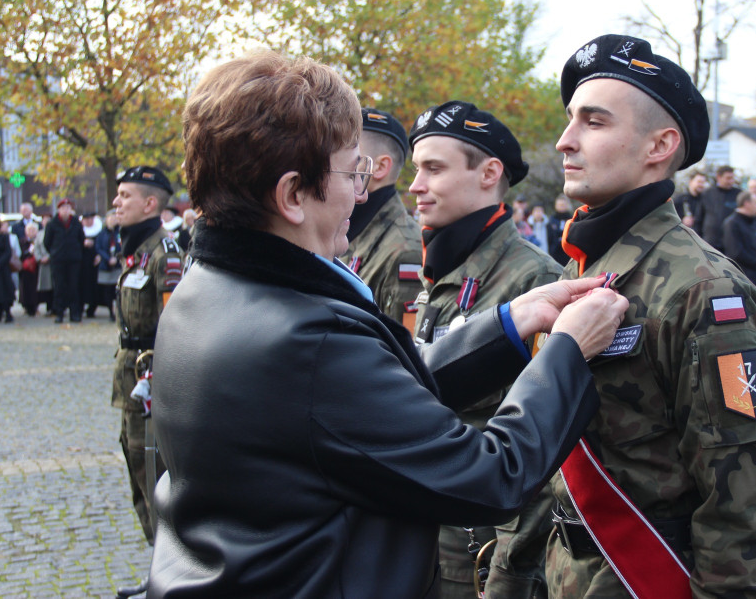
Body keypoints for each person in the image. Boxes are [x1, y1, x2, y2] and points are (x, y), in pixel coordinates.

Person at [147, 50, 627, 597]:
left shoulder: (208, 288)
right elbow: (494, 476)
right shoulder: (308, 341)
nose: (363, 191)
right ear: (291, 195)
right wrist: (565, 348)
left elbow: (365, 405)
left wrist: (510, 325)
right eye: (352, 173)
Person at [547, 34, 756, 598]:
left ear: (659, 145)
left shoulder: (706, 292)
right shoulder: (575, 275)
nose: (565, 141)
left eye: (594, 122)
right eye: (570, 121)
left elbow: (739, 508)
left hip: (647, 577)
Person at [408, 100, 564, 599]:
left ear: (489, 173)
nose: (415, 185)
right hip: (421, 534)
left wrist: (507, 576)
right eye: (416, 169)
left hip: (480, 555)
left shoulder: (533, 282)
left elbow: (548, 447)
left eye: (434, 168)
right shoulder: (436, 270)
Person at [111, 165, 184, 596]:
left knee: (155, 470)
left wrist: (159, 379)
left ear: (150, 203)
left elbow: (174, 322)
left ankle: (171, 567)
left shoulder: (165, 253)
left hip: (153, 378)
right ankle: (158, 558)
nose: (116, 203)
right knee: (135, 464)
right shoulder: (136, 250)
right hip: (130, 380)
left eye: (124, 195)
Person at [338, 107, 423, 327]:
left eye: (351, 155)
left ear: (379, 167)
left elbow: (403, 350)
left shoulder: (406, 250)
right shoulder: (343, 226)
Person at [42, 198, 85, 323]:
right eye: (64, 208)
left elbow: (81, 239)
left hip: (73, 259)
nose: (66, 210)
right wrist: (55, 252)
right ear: (59, 209)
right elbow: (47, 242)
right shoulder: (52, 224)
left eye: (68, 208)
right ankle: (59, 313)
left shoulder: (76, 223)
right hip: (58, 260)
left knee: (74, 286)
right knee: (59, 287)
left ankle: (75, 313)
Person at [722, 190, 756, 289]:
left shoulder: (754, 221)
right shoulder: (732, 224)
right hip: (744, 277)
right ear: (747, 204)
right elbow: (736, 252)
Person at [694, 164, 741, 251]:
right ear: (719, 177)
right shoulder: (707, 194)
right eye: (728, 178)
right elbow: (699, 219)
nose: (731, 181)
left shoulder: (738, 194)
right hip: (710, 243)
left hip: (731, 243)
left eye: (732, 178)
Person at [94, 210, 122, 322]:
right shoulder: (101, 234)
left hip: (117, 265)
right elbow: (99, 248)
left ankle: (118, 311)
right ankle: (111, 312)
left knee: (117, 290)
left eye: (115, 218)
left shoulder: (120, 232)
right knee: (107, 291)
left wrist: (116, 257)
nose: (113, 220)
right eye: (111, 218)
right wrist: (107, 258)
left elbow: (122, 246)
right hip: (105, 265)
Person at [80, 212, 103, 318]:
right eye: (86, 219)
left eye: (90, 219)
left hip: (95, 261)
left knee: (94, 286)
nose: (88, 221)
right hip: (82, 262)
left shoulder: (99, 230)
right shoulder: (79, 230)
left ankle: (92, 309)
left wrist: (99, 255)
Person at [18, 222, 41, 316]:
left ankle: (35, 306)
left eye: (33, 230)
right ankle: (26, 306)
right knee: (26, 288)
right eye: (29, 230)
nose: (31, 232)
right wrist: (28, 252)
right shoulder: (22, 241)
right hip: (25, 269)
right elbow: (19, 254)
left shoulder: (39, 241)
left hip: (36, 268)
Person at [546, 194, 573, 265]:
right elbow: (549, 237)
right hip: (554, 253)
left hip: (568, 253)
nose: (561, 207)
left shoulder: (572, 219)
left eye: (563, 205)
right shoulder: (552, 220)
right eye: (559, 205)